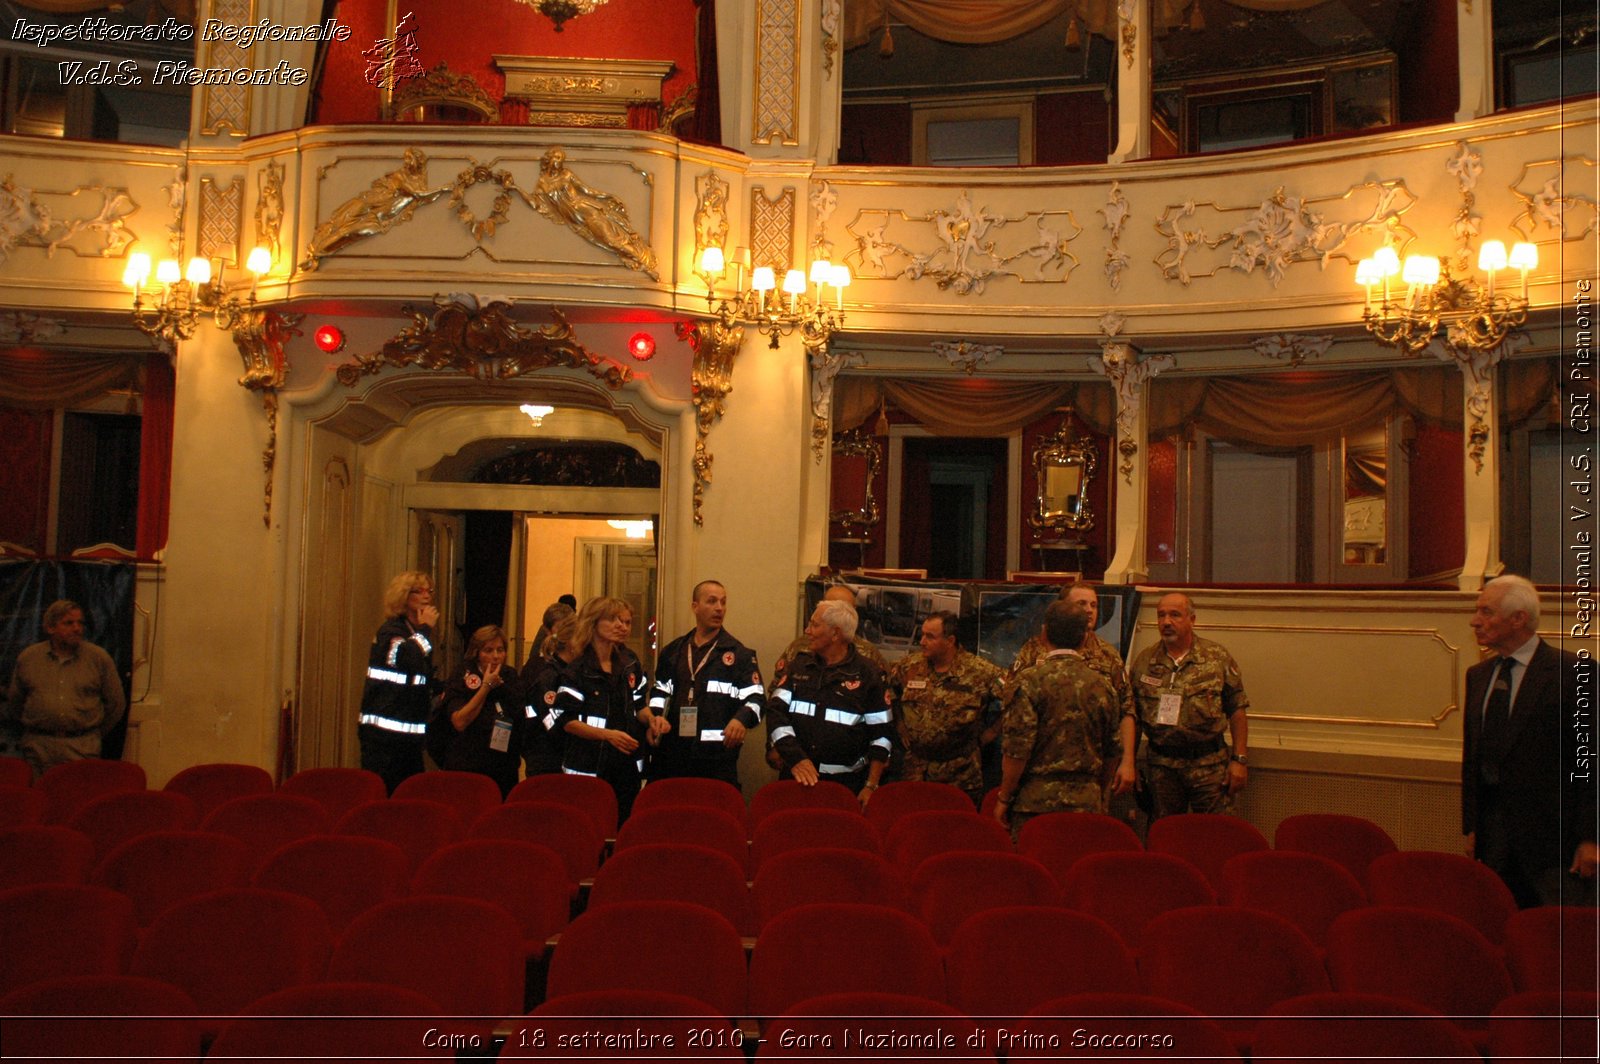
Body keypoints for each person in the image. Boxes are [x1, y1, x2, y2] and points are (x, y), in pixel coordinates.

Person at [1462, 574, 1597, 907]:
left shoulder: (1573, 674)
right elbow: (1475, 758)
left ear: (1518, 618)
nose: (1475, 621)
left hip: (1555, 845)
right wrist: (1473, 826)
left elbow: (1590, 761)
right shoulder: (1478, 676)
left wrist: (1592, 838)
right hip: (1493, 839)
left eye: (1486, 612)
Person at [994, 601, 1127, 840]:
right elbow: (1113, 751)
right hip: (1086, 804)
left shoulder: (1027, 682)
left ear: (1044, 634)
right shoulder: (1103, 686)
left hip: (1035, 805)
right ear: (1084, 638)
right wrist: (1099, 791)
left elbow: (1017, 751)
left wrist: (1004, 797)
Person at [1127, 592, 1249, 818]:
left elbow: (1237, 709)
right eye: (1161, 615)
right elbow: (1132, 717)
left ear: (1192, 620)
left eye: (1175, 615)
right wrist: (1129, 762)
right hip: (1162, 767)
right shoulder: (1145, 662)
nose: (1166, 622)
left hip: (1209, 765)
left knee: (1217, 834)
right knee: (1165, 835)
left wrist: (1239, 760)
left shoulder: (1216, 658)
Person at [766, 598, 893, 805]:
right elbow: (775, 712)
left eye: (815, 625)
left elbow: (882, 735)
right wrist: (795, 756)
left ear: (835, 633)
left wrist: (871, 785)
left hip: (844, 787)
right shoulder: (799, 665)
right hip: (796, 779)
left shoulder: (868, 673)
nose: (807, 631)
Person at [648, 580, 764, 786]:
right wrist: (656, 717)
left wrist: (741, 720)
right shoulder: (674, 651)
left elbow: (757, 699)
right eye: (712, 601)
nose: (719, 608)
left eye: (723, 602)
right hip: (673, 754)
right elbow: (660, 691)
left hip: (717, 758)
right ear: (695, 606)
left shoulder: (739, 655)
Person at [553, 596, 658, 822]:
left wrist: (652, 721)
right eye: (613, 620)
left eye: (626, 622)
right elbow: (566, 721)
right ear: (593, 623)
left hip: (626, 765)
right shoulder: (577, 670)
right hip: (589, 764)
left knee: (624, 822)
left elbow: (640, 705)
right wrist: (607, 735)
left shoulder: (629, 664)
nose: (622, 626)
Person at [888, 610, 1005, 806]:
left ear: (950, 640)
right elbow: (887, 690)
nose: (922, 642)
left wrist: (992, 732)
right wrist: (899, 723)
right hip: (915, 770)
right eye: (922, 635)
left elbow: (1015, 702)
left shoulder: (981, 672)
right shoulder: (909, 666)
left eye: (930, 637)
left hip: (960, 774)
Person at [3, 600, 126, 778]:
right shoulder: (29, 658)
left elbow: (116, 704)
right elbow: (15, 701)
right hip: (38, 747)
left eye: (80, 623)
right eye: (69, 623)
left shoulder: (98, 658)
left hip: (82, 746)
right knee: (39, 800)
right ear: (50, 628)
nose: (77, 628)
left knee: (78, 798)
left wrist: (90, 733)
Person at [358, 571, 439, 794]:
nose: (426, 596)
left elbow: (418, 676)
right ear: (404, 596)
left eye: (428, 591)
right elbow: (406, 659)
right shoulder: (391, 632)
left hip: (410, 739)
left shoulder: (414, 632)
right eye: (418, 591)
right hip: (383, 738)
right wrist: (426, 630)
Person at [431, 624, 522, 797]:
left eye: (500, 650)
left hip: (502, 767)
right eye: (488, 650)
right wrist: (485, 687)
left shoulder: (511, 677)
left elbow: (519, 719)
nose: (495, 656)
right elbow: (459, 722)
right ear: (477, 653)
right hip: (467, 764)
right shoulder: (462, 676)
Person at [520, 608, 579, 778]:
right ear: (571, 643)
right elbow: (551, 721)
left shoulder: (572, 672)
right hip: (546, 758)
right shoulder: (549, 675)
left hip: (564, 757)